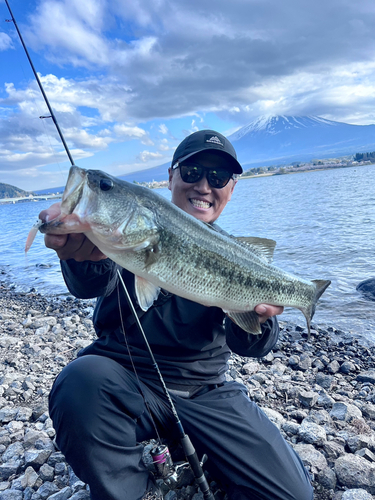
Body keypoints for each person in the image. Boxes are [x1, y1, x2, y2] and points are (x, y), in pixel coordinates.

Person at [41, 130, 313, 500]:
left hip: (207, 392)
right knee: (80, 382)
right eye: (193, 172)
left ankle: (205, 453)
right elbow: (87, 280)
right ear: (171, 176)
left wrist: (258, 321)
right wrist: (76, 251)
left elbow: (254, 346)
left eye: (217, 178)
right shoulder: (121, 237)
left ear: (231, 189)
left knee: (292, 494)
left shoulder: (236, 254)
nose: (203, 185)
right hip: (124, 384)